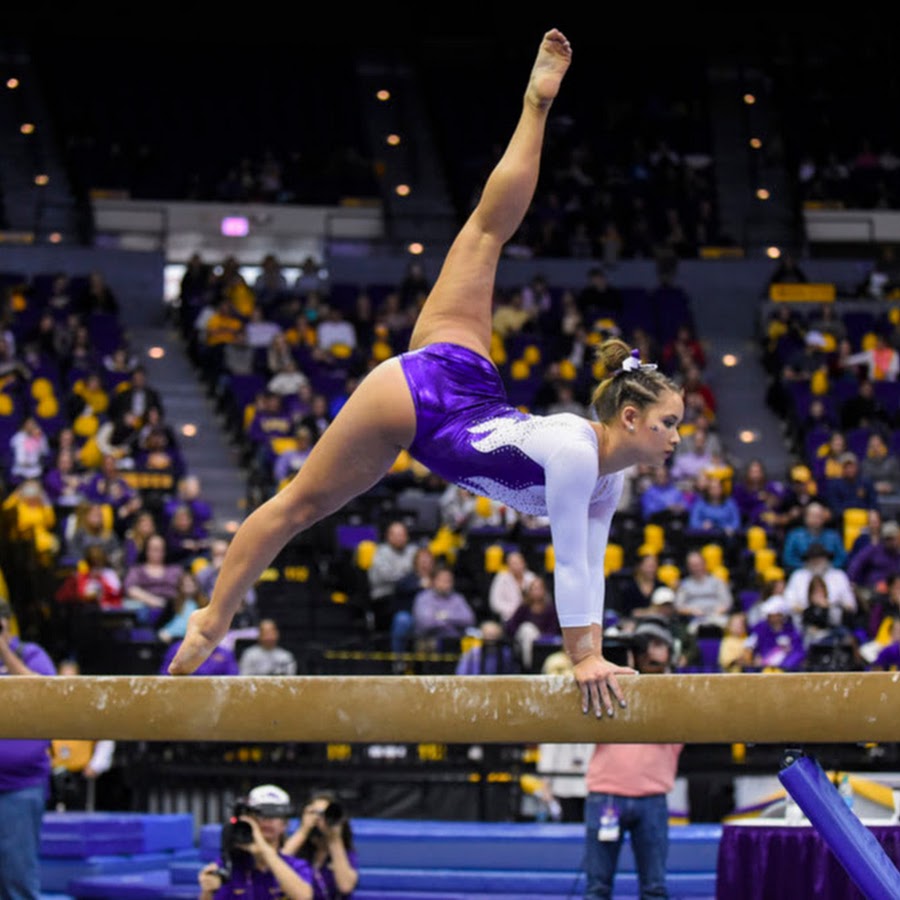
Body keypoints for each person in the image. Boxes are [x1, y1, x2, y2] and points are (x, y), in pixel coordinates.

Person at [169, 29, 685, 720]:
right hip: (422, 406)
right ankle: (213, 618)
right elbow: (569, 561)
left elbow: (591, 563)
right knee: (300, 505)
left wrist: (591, 646)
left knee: (483, 232)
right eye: (669, 424)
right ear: (630, 418)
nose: (677, 437)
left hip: (466, 379)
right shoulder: (574, 455)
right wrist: (583, 653)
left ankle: (535, 106)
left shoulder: (608, 476)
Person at [583, 630, 683, 899]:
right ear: (635, 657)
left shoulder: (676, 694)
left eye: (660, 659)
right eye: (649, 658)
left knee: (655, 888)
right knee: (597, 888)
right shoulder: (614, 684)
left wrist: (664, 670)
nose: (654, 663)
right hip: (607, 797)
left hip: (651, 797)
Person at [0, 599, 57, 900]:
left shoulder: (29, 655)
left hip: (19, 787)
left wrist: (4, 651)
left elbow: (46, 694)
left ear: (7, 625)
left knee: (16, 877)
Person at [198, 783, 313, 900]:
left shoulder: (296, 866)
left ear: (285, 824)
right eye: (260, 814)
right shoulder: (230, 866)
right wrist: (207, 892)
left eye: (274, 815)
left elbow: (304, 896)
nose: (268, 820)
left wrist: (262, 848)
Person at [50, 659, 116, 812]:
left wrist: (96, 765)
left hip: (81, 774)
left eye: (72, 680)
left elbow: (106, 738)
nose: (68, 685)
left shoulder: (89, 707)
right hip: (51, 772)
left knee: (78, 816)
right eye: (63, 680)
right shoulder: (49, 706)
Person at [283, 790, 360, 899]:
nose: (320, 819)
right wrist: (304, 830)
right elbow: (276, 864)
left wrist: (334, 838)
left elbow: (345, 887)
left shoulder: (345, 854)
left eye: (326, 814)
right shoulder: (297, 849)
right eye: (315, 813)